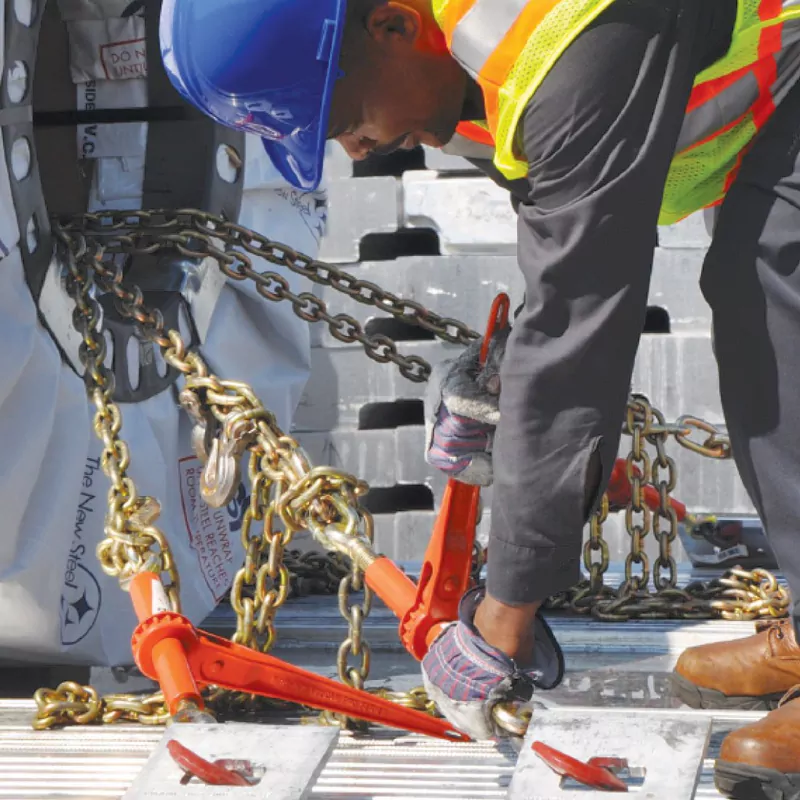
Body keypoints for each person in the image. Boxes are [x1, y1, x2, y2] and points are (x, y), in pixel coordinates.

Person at [161, 0, 800, 796]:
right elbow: (565, 265)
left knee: (774, 286)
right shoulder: (475, 58)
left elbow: (580, 332)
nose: (358, 150)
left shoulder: (565, 45)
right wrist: (508, 377)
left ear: (392, 27)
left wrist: (504, 615)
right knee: (756, 276)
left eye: (346, 119)